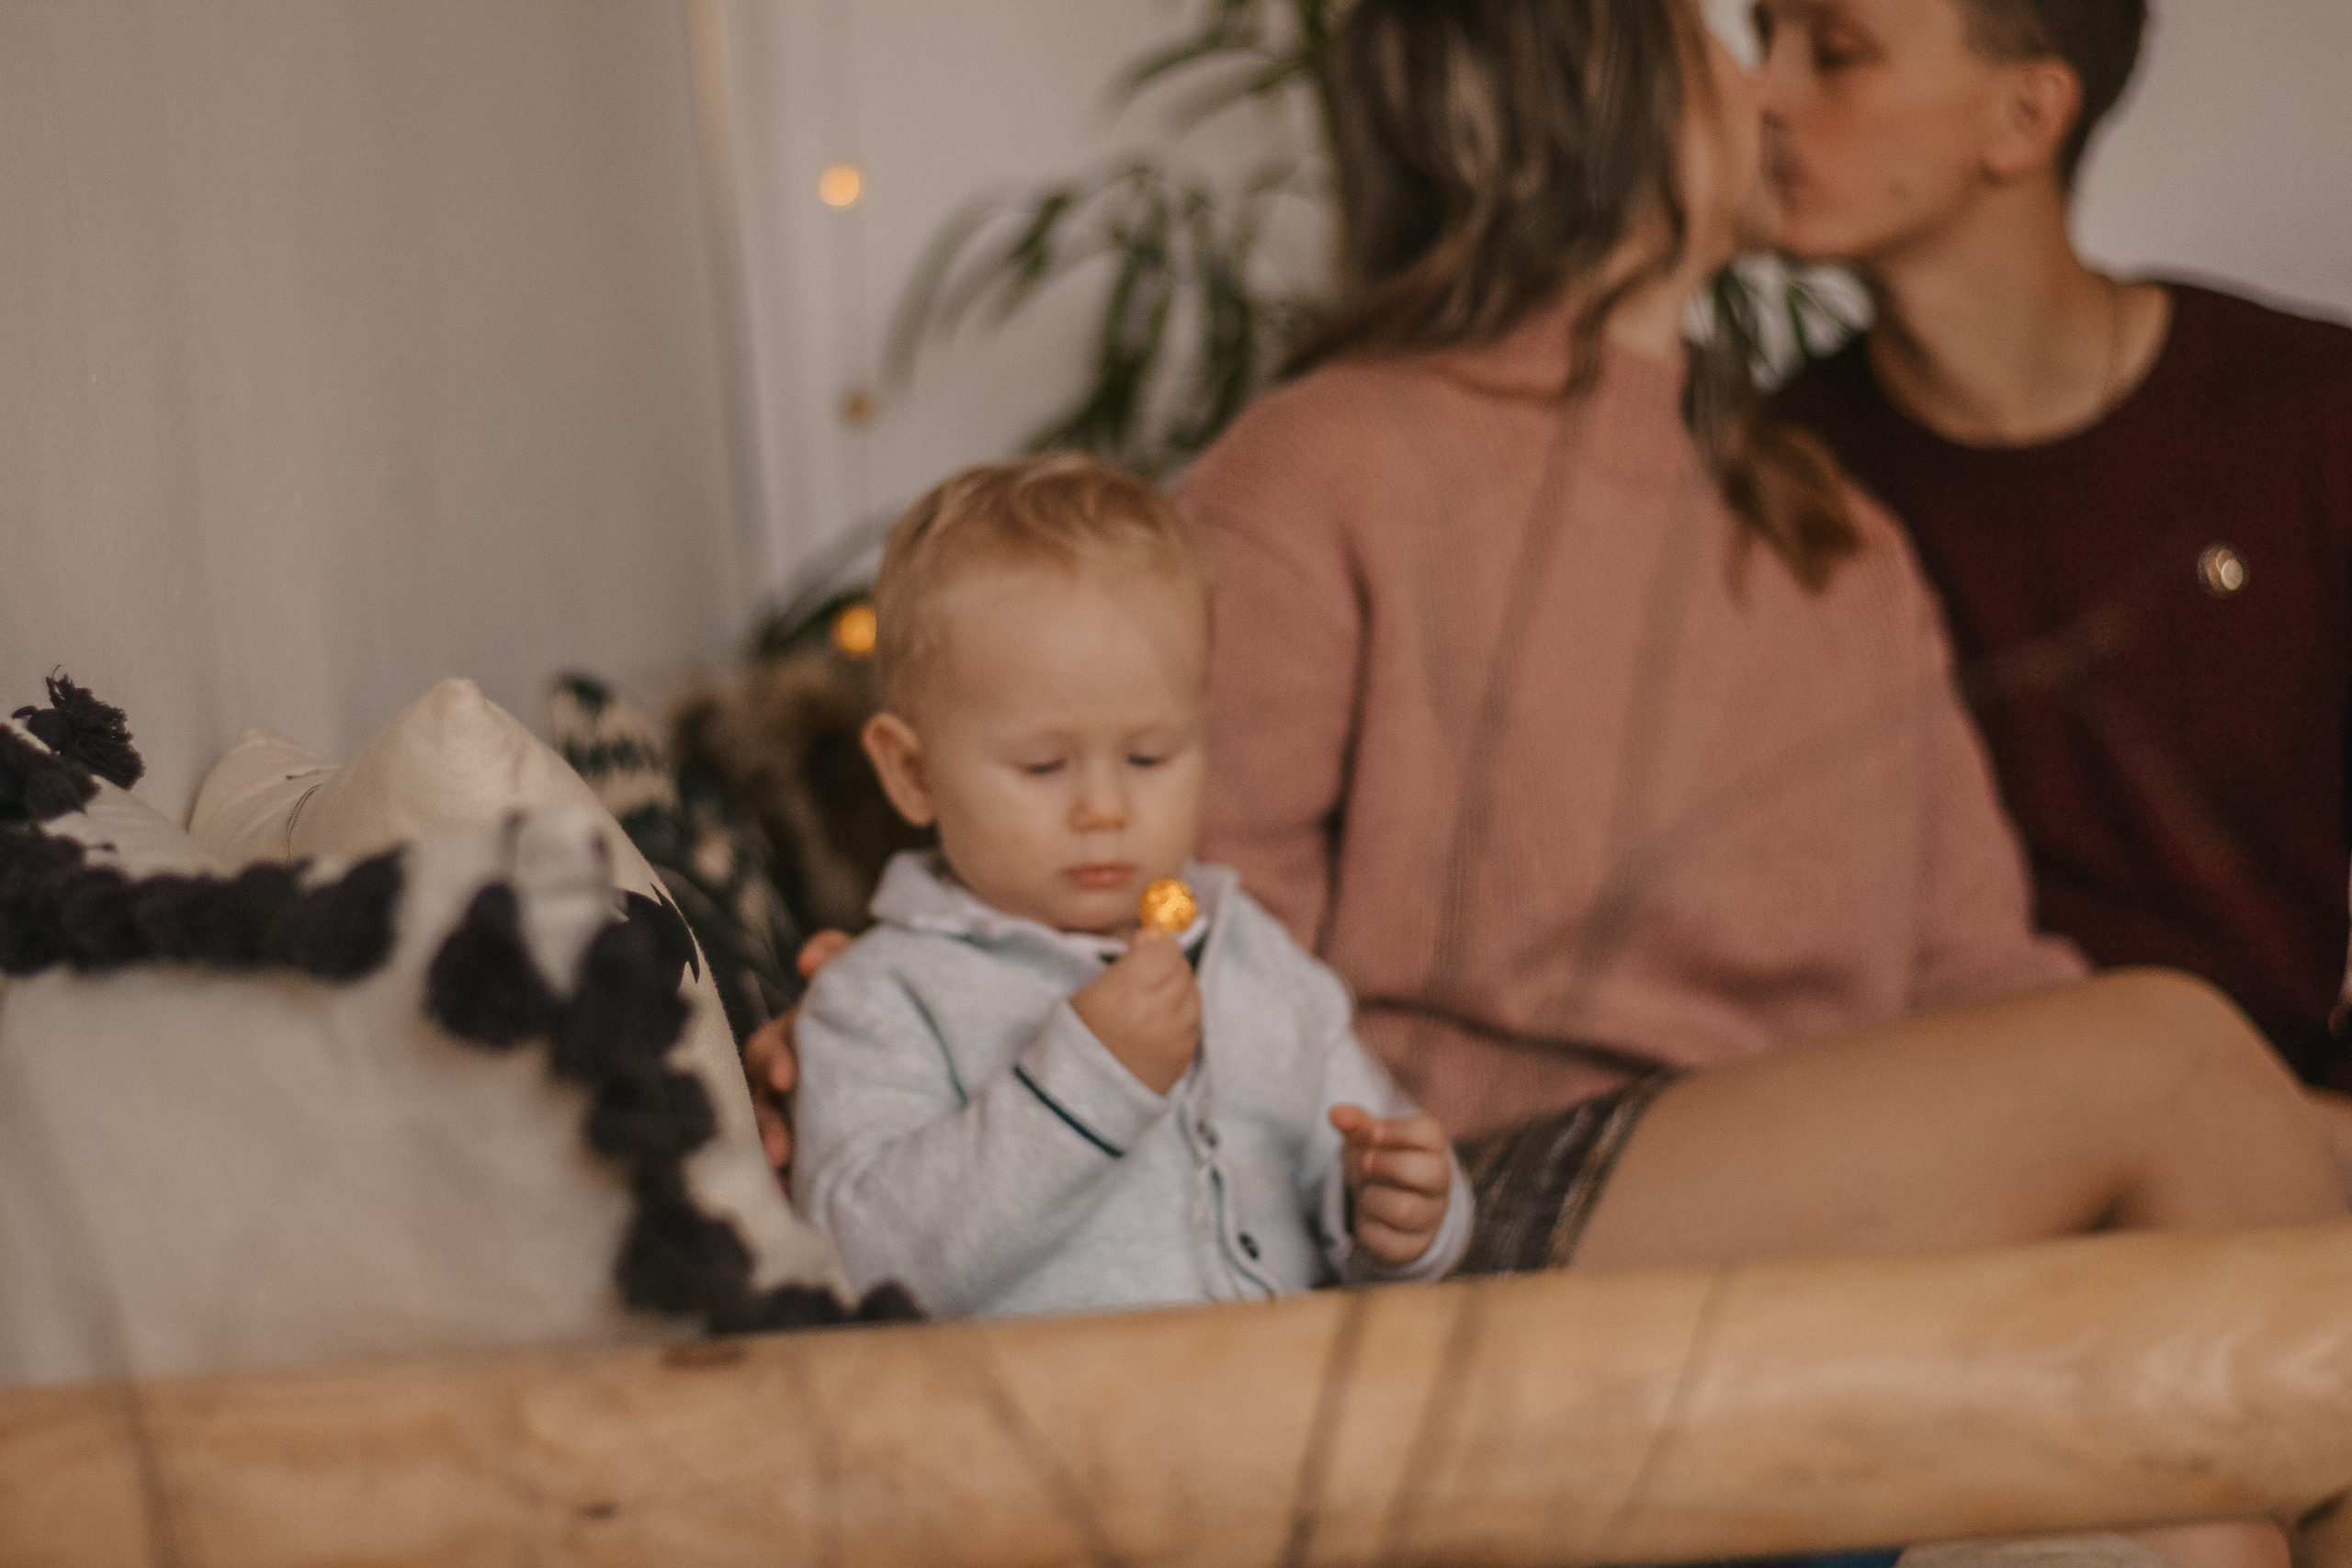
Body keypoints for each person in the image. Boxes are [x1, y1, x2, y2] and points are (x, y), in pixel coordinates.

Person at [1166, 3, 2342, 1564]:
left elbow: (1983, 976)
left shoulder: (1818, 522)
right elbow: (1198, 938)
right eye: (1726, 38)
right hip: (1467, 1209)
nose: (1765, 89)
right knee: (2178, 1056)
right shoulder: (1319, 465)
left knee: (2199, 1529)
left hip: (1835, 1253)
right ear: (1597, 91)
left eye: (1817, 48)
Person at [1759, 0, 2352, 1097]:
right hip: (1935, 1171)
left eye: (1834, 56)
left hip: (2300, 1180)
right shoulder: (1767, 487)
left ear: (2025, 116)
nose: (1765, 97)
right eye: (1763, 44)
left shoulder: (2315, 418)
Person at [786, 456, 1470, 1318]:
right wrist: (1087, 1081)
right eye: (1043, 765)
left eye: (1149, 757)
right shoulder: (882, 996)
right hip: (1063, 1434)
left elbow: (1366, 1151)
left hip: (1293, 1414)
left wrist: (1401, 1219)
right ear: (913, 772)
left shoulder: (1247, 950)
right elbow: (861, 1266)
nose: (1105, 808)